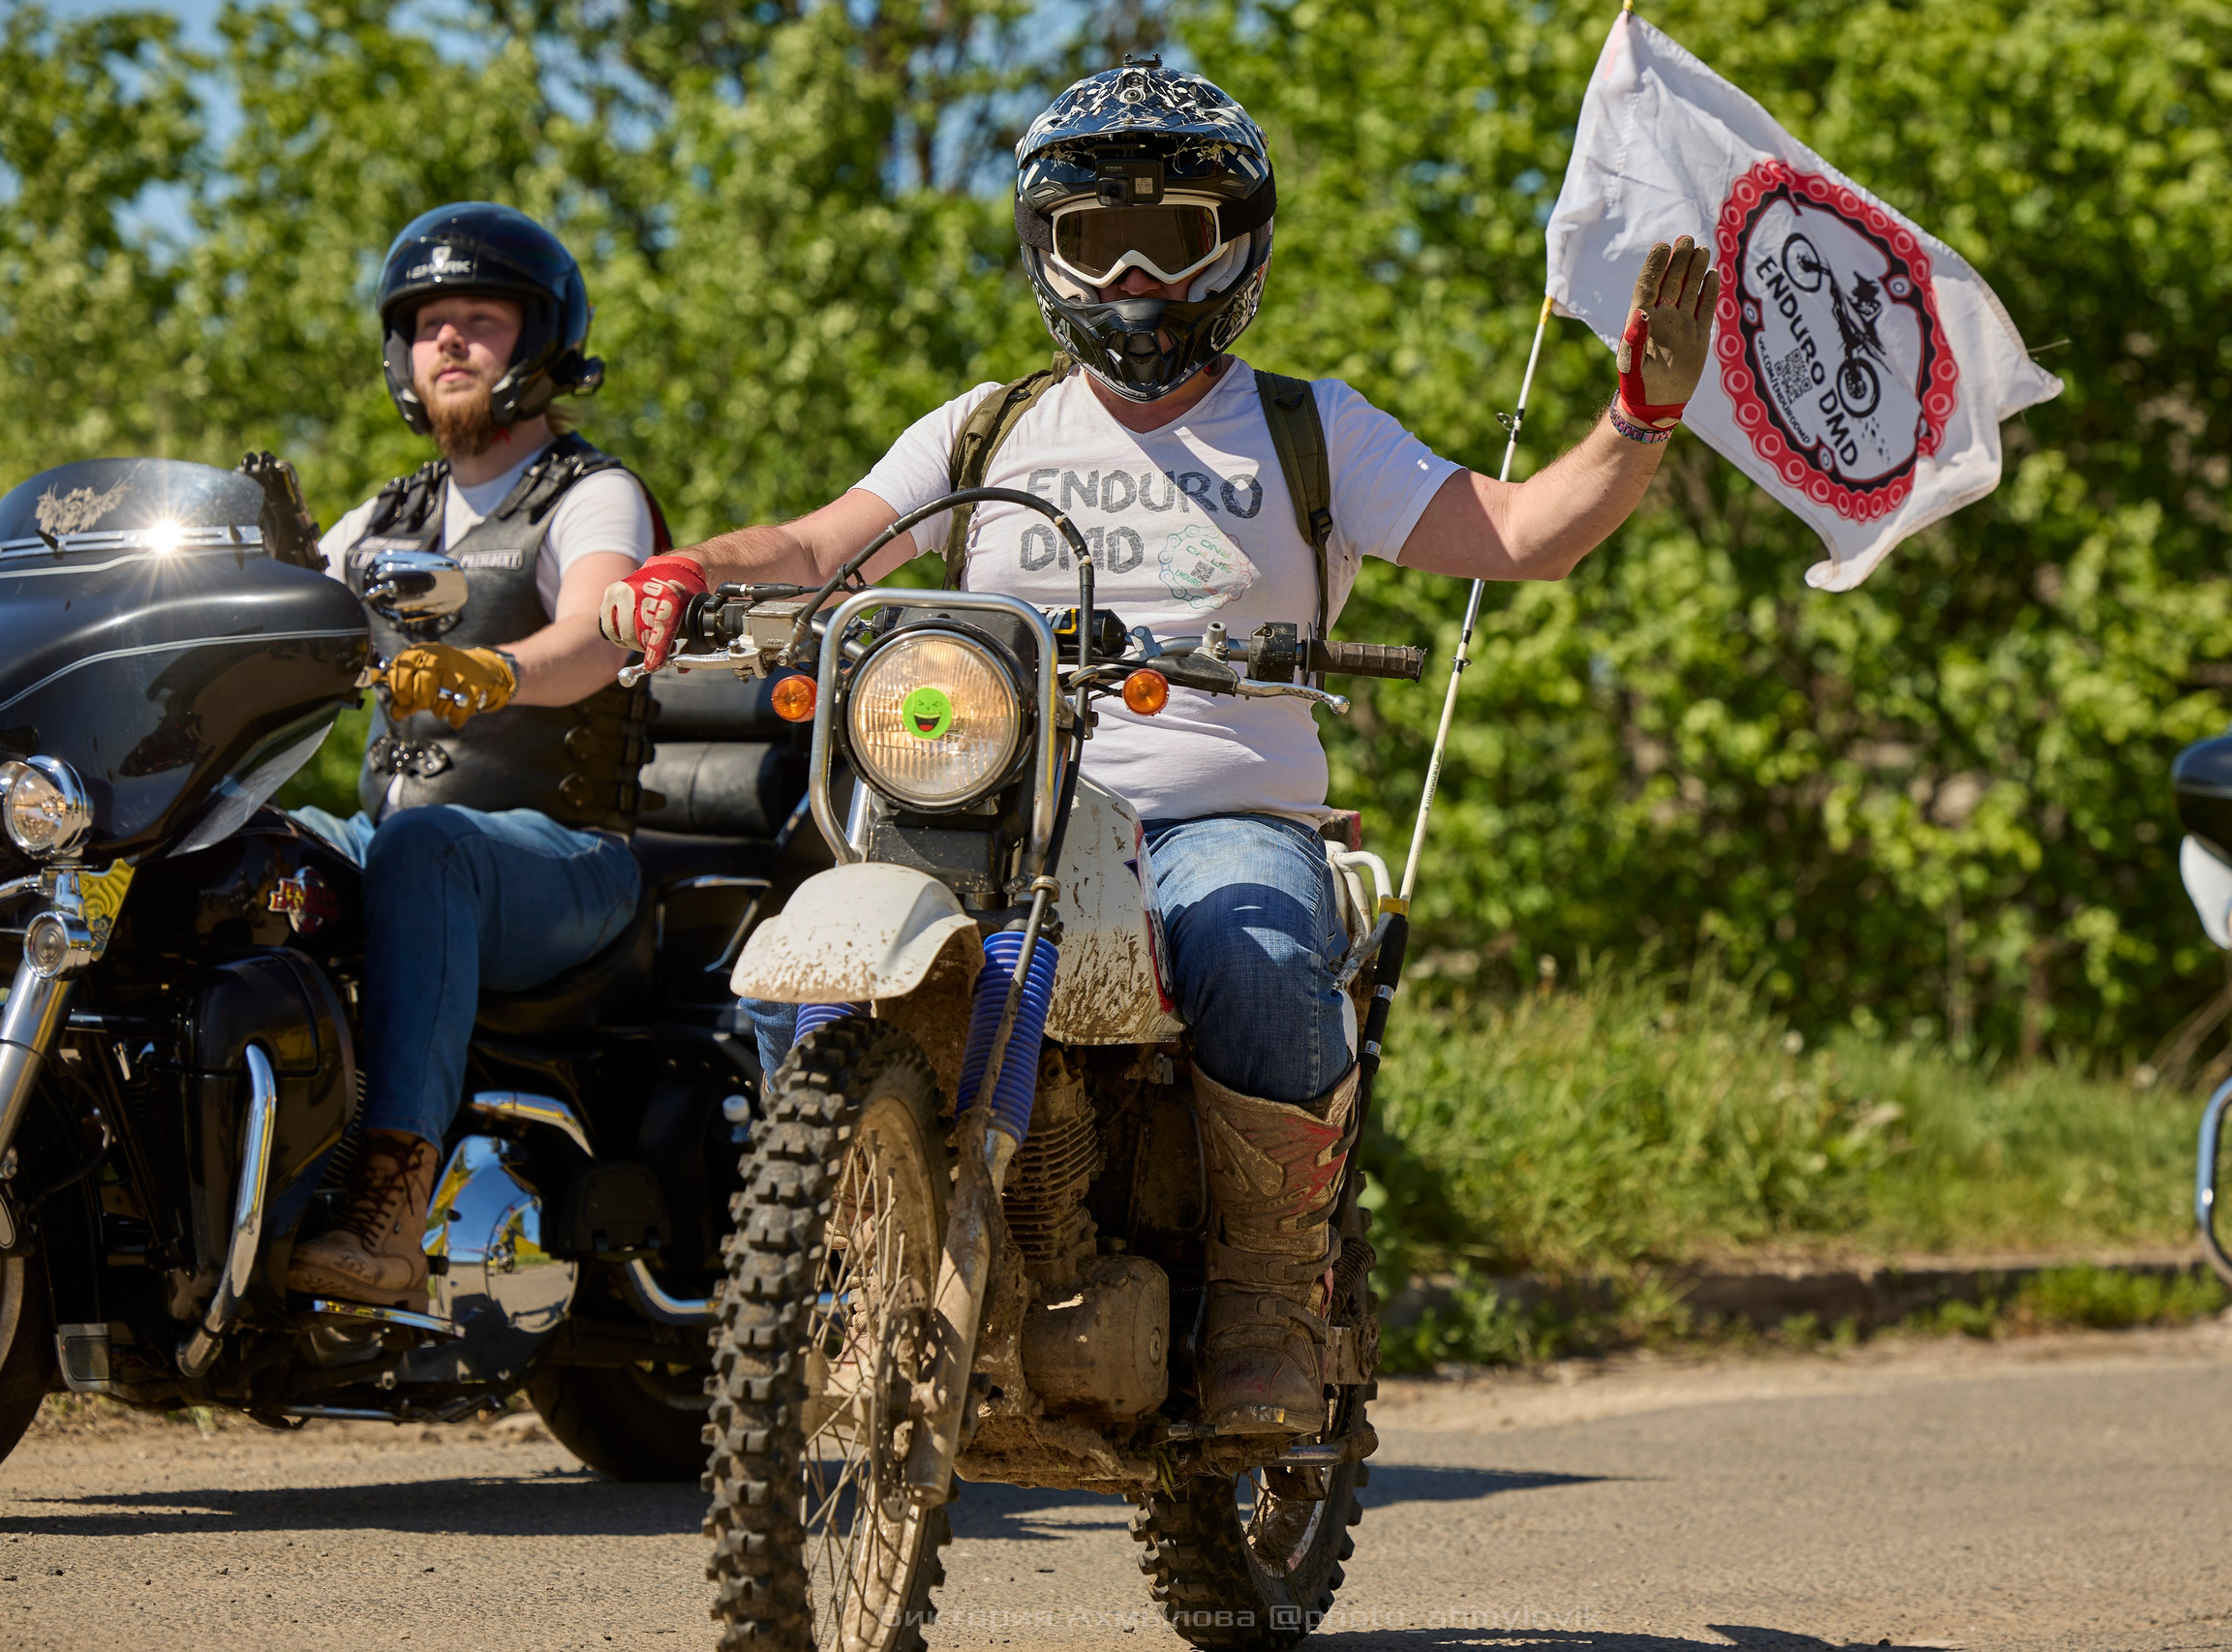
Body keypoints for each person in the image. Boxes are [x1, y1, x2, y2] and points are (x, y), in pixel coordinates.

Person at [600, 61, 1718, 1434]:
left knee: (1251, 939)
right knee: (804, 976)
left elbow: (1522, 535)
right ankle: (837, 1262)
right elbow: (825, 546)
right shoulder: (988, 427)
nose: (1131, 272)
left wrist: (1639, 416)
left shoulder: (1311, 430)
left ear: (1234, 247)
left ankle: (1264, 1293)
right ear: (1044, 254)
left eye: (1171, 236)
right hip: (987, 814)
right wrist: (690, 567)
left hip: (1216, 813)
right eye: (1092, 239)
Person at [286, 202, 664, 1311]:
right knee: (251, 858)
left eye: (481, 319)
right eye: (428, 322)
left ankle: (388, 1210)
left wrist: (497, 672)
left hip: (567, 855)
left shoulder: (589, 494)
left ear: (540, 340)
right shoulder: (387, 512)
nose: (448, 340)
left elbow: (600, 629)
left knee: (420, 849)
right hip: (401, 836)